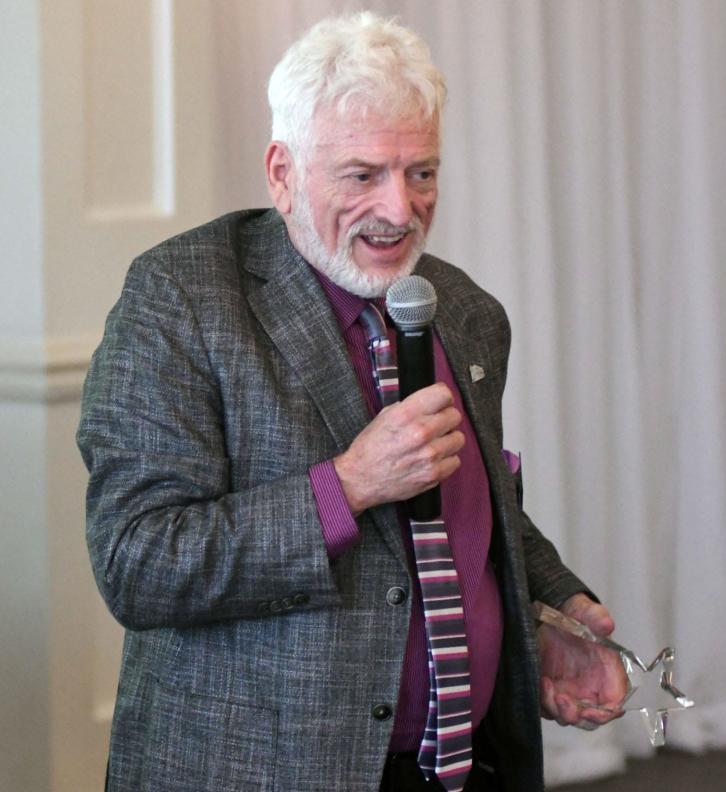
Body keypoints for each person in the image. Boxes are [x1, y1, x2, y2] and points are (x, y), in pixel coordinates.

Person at [78, 12, 623, 792]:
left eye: (422, 172)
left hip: (456, 769)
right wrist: (351, 484)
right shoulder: (183, 298)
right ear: (282, 172)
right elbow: (140, 562)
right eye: (363, 175)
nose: (401, 211)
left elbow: (470, 511)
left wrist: (553, 610)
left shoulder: (464, 310)